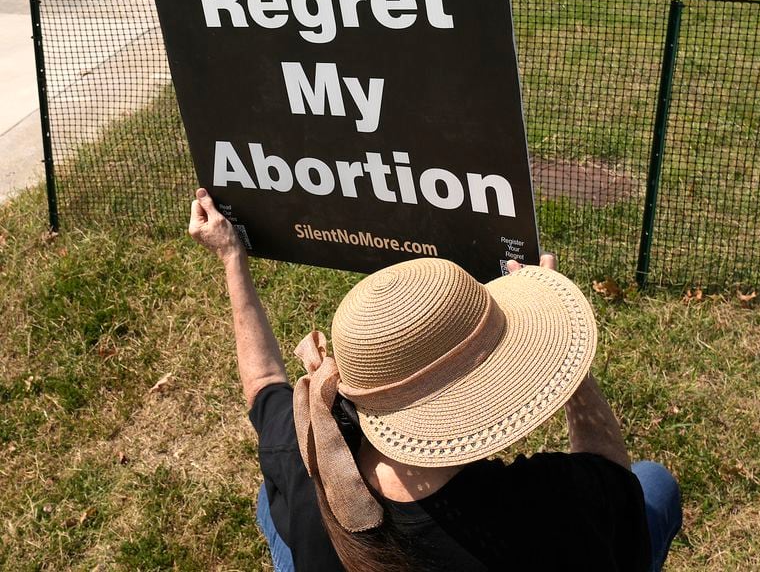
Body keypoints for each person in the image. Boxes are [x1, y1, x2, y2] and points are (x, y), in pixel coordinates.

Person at [188, 188, 682, 571]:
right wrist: (566, 364)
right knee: (652, 486)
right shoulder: (551, 511)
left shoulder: (306, 452)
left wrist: (232, 258)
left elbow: (263, 383)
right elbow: (612, 477)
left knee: (270, 496)